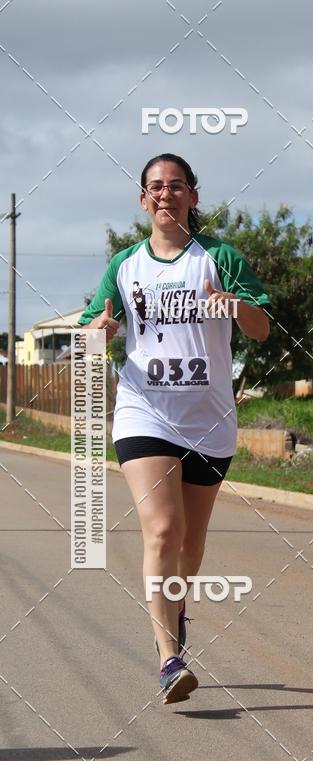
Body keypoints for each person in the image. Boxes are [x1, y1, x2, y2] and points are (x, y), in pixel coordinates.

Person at [79, 153, 270, 703]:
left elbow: (260, 328)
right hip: (144, 411)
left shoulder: (220, 258)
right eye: (156, 187)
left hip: (210, 420)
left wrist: (234, 306)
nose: (166, 194)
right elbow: (89, 338)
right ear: (143, 200)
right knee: (163, 531)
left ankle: (176, 603)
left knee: (189, 543)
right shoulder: (124, 266)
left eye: (177, 185)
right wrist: (100, 330)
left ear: (193, 196)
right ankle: (169, 659)